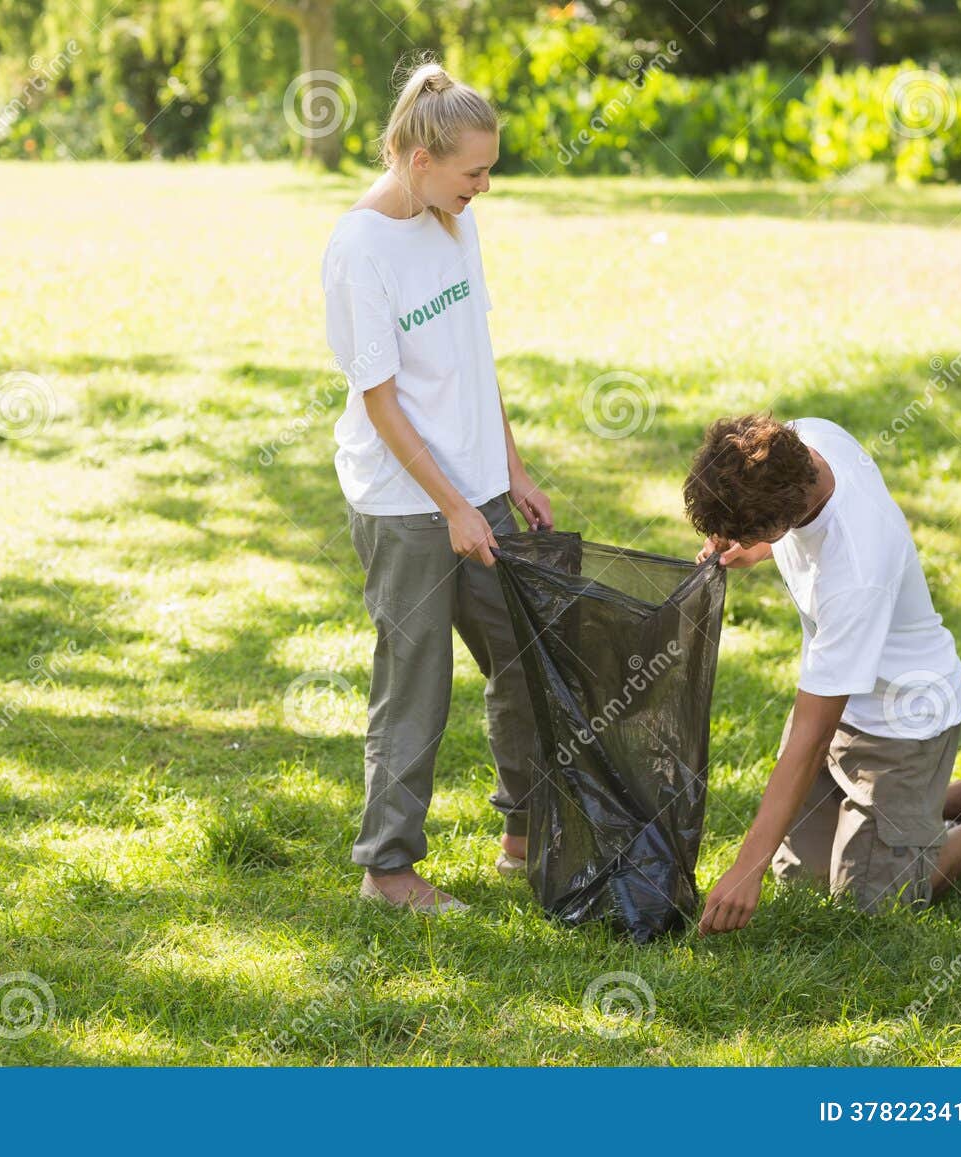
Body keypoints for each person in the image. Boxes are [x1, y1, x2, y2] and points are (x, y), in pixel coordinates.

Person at [321, 60, 553, 914]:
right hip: (405, 504)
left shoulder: (454, 224)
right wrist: (452, 504)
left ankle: (524, 835)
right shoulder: (359, 247)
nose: (484, 187)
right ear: (421, 159)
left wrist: (509, 471)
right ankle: (387, 870)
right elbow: (380, 401)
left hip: (480, 489)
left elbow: (472, 360)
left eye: (488, 170)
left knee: (526, 661)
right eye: (473, 172)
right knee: (415, 682)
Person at [682, 414, 961, 935]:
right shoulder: (805, 441)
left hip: (904, 725)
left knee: (868, 904)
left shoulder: (855, 573)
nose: (727, 540)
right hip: (839, 697)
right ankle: (959, 792)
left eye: (746, 530)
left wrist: (746, 868)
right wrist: (760, 544)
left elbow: (810, 737)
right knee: (802, 882)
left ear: (787, 512)